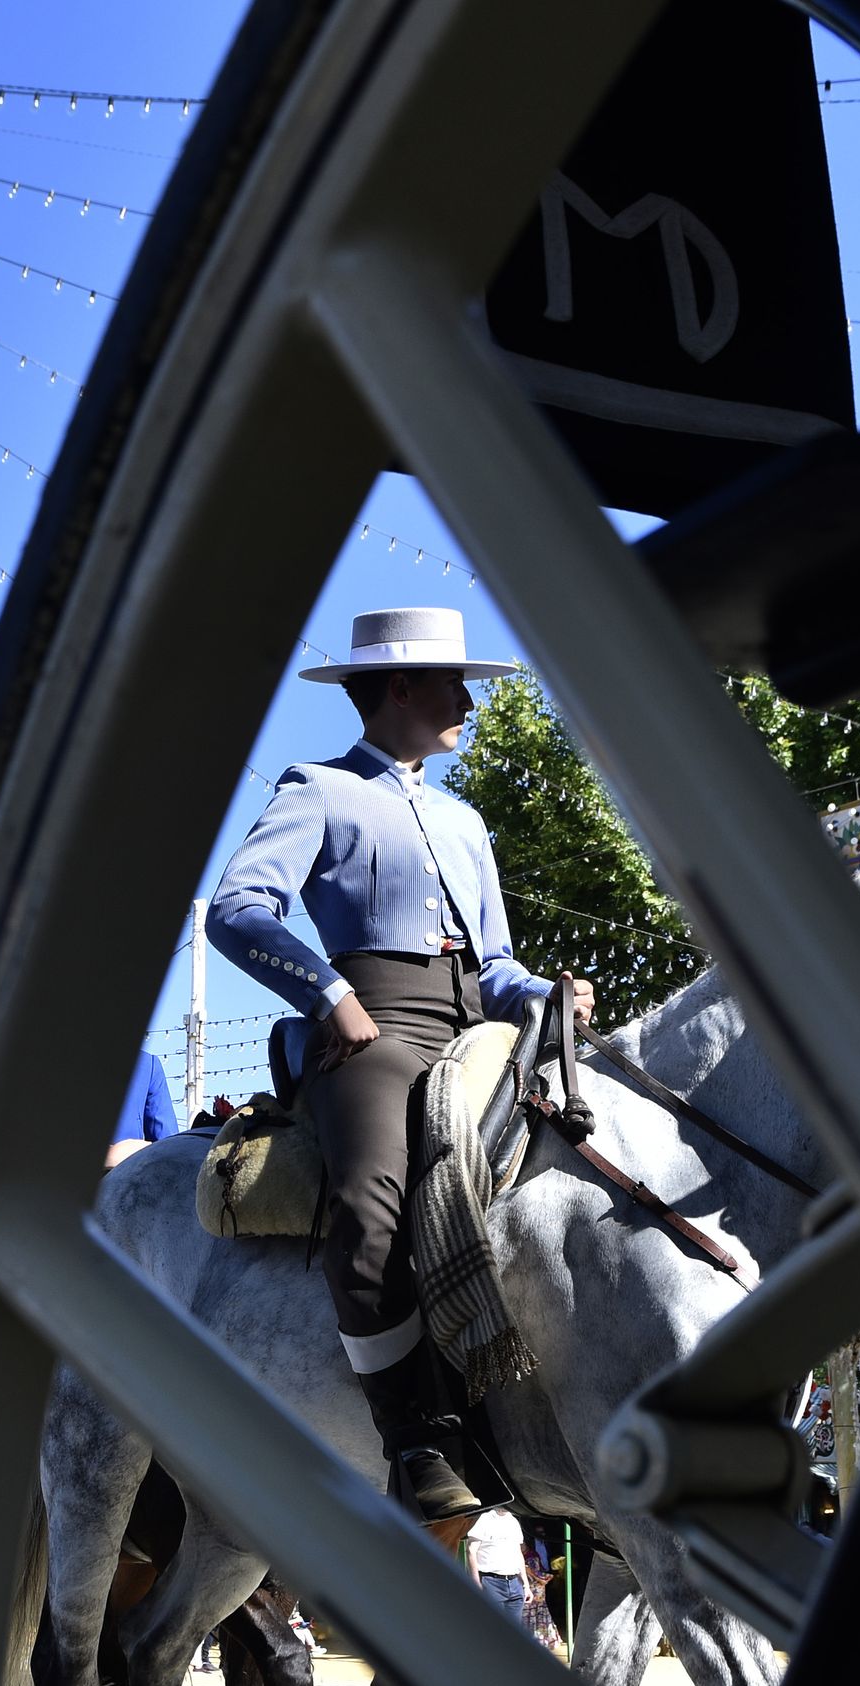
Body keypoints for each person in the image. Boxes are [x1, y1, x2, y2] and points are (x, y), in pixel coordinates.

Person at [208, 606, 595, 1525]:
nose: (467, 700)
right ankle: (415, 1437)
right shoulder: (320, 787)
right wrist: (323, 995)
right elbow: (237, 908)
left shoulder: (465, 820)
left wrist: (549, 998)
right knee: (367, 1204)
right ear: (400, 688)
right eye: (454, 683)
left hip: (474, 1025)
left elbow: (495, 966)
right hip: (368, 1024)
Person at [107, 1048, 180, 1169]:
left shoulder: (148, 1064)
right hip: (126, 1172)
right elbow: (170, 1149)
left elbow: (169, 1148)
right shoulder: (147, 1064)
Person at [464, 1505, 532, 1628]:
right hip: (491, 1582)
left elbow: (518, 1554)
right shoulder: (483, 1519)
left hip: (515, 1583)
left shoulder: (513, 1521)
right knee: (493, 1629)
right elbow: (470, 1551)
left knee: (513, 1631)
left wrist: (526, 1585)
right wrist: (475, 1583)